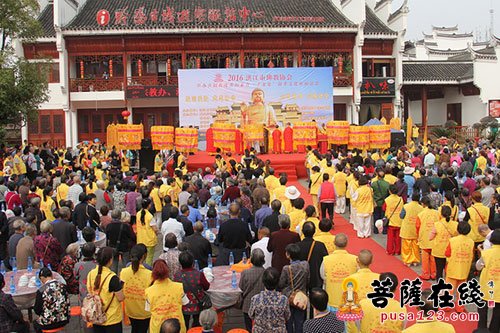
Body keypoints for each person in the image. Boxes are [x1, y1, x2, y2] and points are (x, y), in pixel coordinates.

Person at [145, 259, 186, 333]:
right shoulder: (178, 287)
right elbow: (185, 302)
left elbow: (148, 309)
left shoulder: (149, 291)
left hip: (157, 328)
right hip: (177, 327)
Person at [320, 233, 358, 310]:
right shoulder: (354, 259)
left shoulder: (326, 259)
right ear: (346, 243)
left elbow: (322, 275)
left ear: (334, 243)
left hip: (332, 298)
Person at [174, 251, 210, 329]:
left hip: (183, 305)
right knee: (197, 323)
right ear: (193, 262)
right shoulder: (199, 274)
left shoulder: (177, 275)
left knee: (184, 323)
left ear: (180, 263)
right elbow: (206, 286)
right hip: (198, 304)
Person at [120, 244, 152, 333]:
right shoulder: (149, 274)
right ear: (144, 256)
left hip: (130, 310)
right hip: (144, 312)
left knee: (134, 329)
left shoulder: (124, 272)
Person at [249, 267, 290, 333]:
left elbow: (251, 315)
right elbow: (287, 316)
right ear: (278, 282)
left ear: (263, 281)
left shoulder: (255, 298)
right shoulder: (284, 299)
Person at [279, 243, 309, 333]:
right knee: (300, 320)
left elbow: (281, 284)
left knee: (289, 320)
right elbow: (308, 279)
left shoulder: (286, 268)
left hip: (289, 297)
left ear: (288, 255)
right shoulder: (305, 265)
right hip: (302, 296)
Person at [445, 222, 474, 312]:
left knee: (449, 288)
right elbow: (472, 256)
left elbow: (447, 253)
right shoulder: (471, 242)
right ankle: (460, 307)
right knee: (462, 290)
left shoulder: (452, 240)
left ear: (458, 229)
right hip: (464, 268)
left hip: (453, 267)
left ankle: (447, 305)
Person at [476, 229, 500, 332]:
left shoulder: (487, 253)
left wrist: (481, 252)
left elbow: (478, 267)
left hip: (487, 286)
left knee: (483, 308)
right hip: (498, 289)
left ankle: (482, 329)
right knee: (497, 311)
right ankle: (494, 330)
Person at [33, 267, 70, 333]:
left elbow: (37, 310)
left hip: (48, 324)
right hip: (64, 319)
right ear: (51, 275)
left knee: (35, 323)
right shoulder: (63, 286)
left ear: (41, 278)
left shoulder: (41, 290)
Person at [239, 248, 266, 332]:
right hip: (262, 304)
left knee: (249, 327)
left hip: (248, 304)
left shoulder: (245, 272)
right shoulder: (266, 272)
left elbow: (241, 288)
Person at [430, 205, 458, 281]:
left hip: (439, 250)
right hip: (451, 250)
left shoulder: (437, 224)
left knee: (439, 270)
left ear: (441, 214)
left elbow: (430, 237)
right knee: (449, 270)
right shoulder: (455, 224)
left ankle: (439, 285)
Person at [297, 222, 328, 290]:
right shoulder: (320, 245)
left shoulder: (297, 245)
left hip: (302, 277)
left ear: (302, 231)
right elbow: (325, 261)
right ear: (314, 231)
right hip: (316, 277)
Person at [416, 196, 439, 280]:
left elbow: (417, 227)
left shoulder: (420, 214)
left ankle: (426, 274)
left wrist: (418, 237)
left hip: (424, 237)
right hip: (434, 238)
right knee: (433, 258)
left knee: (425, 258)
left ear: (423, 204)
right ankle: (434, 273)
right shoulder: (437, 213)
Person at [400, 193, 424, 266]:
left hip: (407, 228)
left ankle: (407, 260)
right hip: (416, 229)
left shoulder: (406, 206)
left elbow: (401, 216)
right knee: (415, 246)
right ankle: (415, 260)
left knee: (406, 246)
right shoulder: (421, 208)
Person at [136, 198, 158, 266]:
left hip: (140, 239)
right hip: (149, 240)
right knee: (149, 258)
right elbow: (155, 229)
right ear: (149, 205)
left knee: (141, 258)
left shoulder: (138, 214)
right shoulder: (150, 216)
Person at [383, 184, 404, 255]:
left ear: (389, 191)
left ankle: (390, 251)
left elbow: (384, 208)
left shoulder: (387, 200)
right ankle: (398, 251)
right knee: (398, 238)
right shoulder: (401, 199)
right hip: (399, 220)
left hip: (391, 220)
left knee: (390, 238)